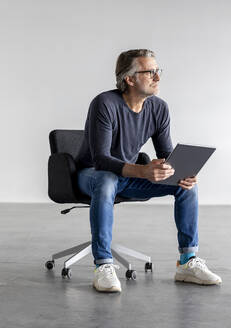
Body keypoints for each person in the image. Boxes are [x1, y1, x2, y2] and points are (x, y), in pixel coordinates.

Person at [74, 49, 221, 293]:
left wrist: (179, 171)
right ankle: (103, 264)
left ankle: (187, 261)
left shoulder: (159, 108)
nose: (157, 77)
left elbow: (166, 153)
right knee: (107, 179)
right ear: (129, 79)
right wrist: (143, 171)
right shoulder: (104, 103)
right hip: (90, 175)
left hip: (128, 177)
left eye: (157, 71)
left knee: (186, 185)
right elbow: (101, 160)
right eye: (149, 72)